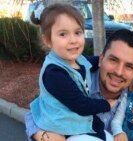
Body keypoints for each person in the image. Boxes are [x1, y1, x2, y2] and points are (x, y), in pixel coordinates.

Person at [25, 13, 133, 141]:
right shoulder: (70, 78)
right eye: (113, 60)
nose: (119, 72)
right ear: (101, 59)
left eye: (129, 66)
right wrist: (41, 135)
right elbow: (38, 109)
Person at [27, 3, 115, 141]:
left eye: (78, 32)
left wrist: (109, 60)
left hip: (78, 124)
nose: (73, 40)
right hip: (65, 129)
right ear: (48, 40)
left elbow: (94, 61)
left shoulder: (78, 59)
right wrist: (106, 105)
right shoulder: (54, 73)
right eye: (63, 34)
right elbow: (80, 105)